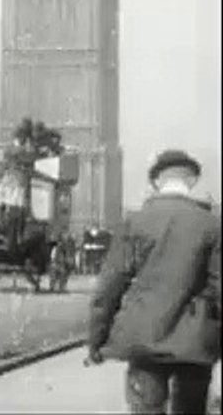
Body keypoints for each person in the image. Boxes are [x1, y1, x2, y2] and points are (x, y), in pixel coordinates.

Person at [87, 149, 221, 414]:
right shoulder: (211, 225)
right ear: (192, 180)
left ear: (157, 181)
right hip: (195, 343)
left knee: (146, 408)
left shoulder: (135, 222)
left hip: (145, 339)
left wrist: (96, 340)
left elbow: (108, 288)